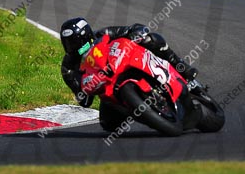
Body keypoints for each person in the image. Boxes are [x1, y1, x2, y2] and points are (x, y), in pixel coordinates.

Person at [59, 17, 204, 132]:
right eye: (68, 43)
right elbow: (84, 100)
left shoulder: (103, 34)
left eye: (74, 42)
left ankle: (182, 68)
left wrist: (136, 34)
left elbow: (134, 29)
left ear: (86, 36)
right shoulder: (68, 68)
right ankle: (145, 113)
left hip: (127, 62)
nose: (72, 46)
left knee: (151, 39)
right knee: (108, 124)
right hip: (109, 89)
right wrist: (86, 90)